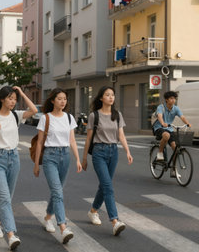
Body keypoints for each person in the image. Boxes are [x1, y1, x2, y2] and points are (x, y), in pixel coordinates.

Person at [0, 86, 37, 250]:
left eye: (15, 99)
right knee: (4, 198)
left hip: (14, 158)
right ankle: (11, 234)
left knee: (8, 198)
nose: (13, 101)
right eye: (10, 98)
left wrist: (21, 92)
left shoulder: (16, 115)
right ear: (2, 99)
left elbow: (33, 109)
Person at [82, 86, 133, 236]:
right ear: (101, 98)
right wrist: (84, 158)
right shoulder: (94, 116)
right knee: (108, 187)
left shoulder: (117, 115)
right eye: (107, 95)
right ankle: (115, 221)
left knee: (105, 186)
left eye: (112, 95)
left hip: (113, 152)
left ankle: (93, 211)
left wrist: (128, 151)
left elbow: (121, 135)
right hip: (99, 153)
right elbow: (88, 139)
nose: (111, 97)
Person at [33, 88, 82, 244]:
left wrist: (78, 159)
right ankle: (63, 227)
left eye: (65, 99)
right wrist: (36, 165)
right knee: (57, 192)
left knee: (57, 192)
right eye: (59, 98)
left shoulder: (69, 118)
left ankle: (48, 217)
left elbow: (72, 140)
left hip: (65, 156)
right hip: (50, 157)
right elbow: (40, 142)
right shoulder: (45, 118)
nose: (63, 101)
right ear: (53, 100)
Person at [152, 91, 191, 177]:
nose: (173, 100)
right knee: (166, 135)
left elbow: (182, 117)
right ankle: (160, 153)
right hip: (159, 128)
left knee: (176, 148)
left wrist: (187, 123)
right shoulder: (161, 107)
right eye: (171, 98)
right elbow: (159, 116)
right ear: (166, 99)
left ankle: (173, 170)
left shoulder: (176, 108)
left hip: (169, 128)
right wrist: (162, 123)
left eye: (174, 98)